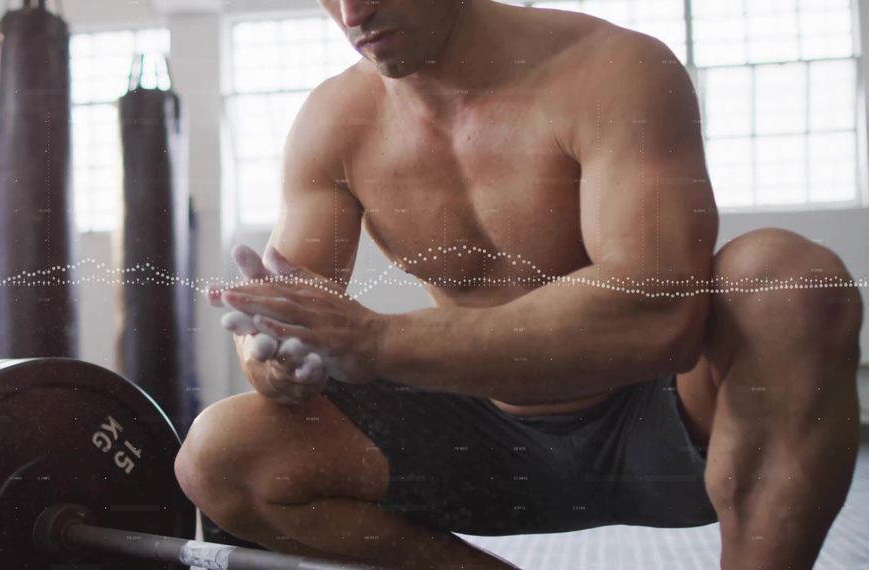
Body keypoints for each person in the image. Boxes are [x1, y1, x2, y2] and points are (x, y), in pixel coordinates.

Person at [175, 1, 865, 568]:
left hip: (662, 425)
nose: (353, 13)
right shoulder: (333, 121)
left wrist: (379, 341)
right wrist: (274, 361)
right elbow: (282, 311)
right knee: (218, 457)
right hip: (480, 444)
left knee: (789, 282)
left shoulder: (612, 69)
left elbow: (659, 316)